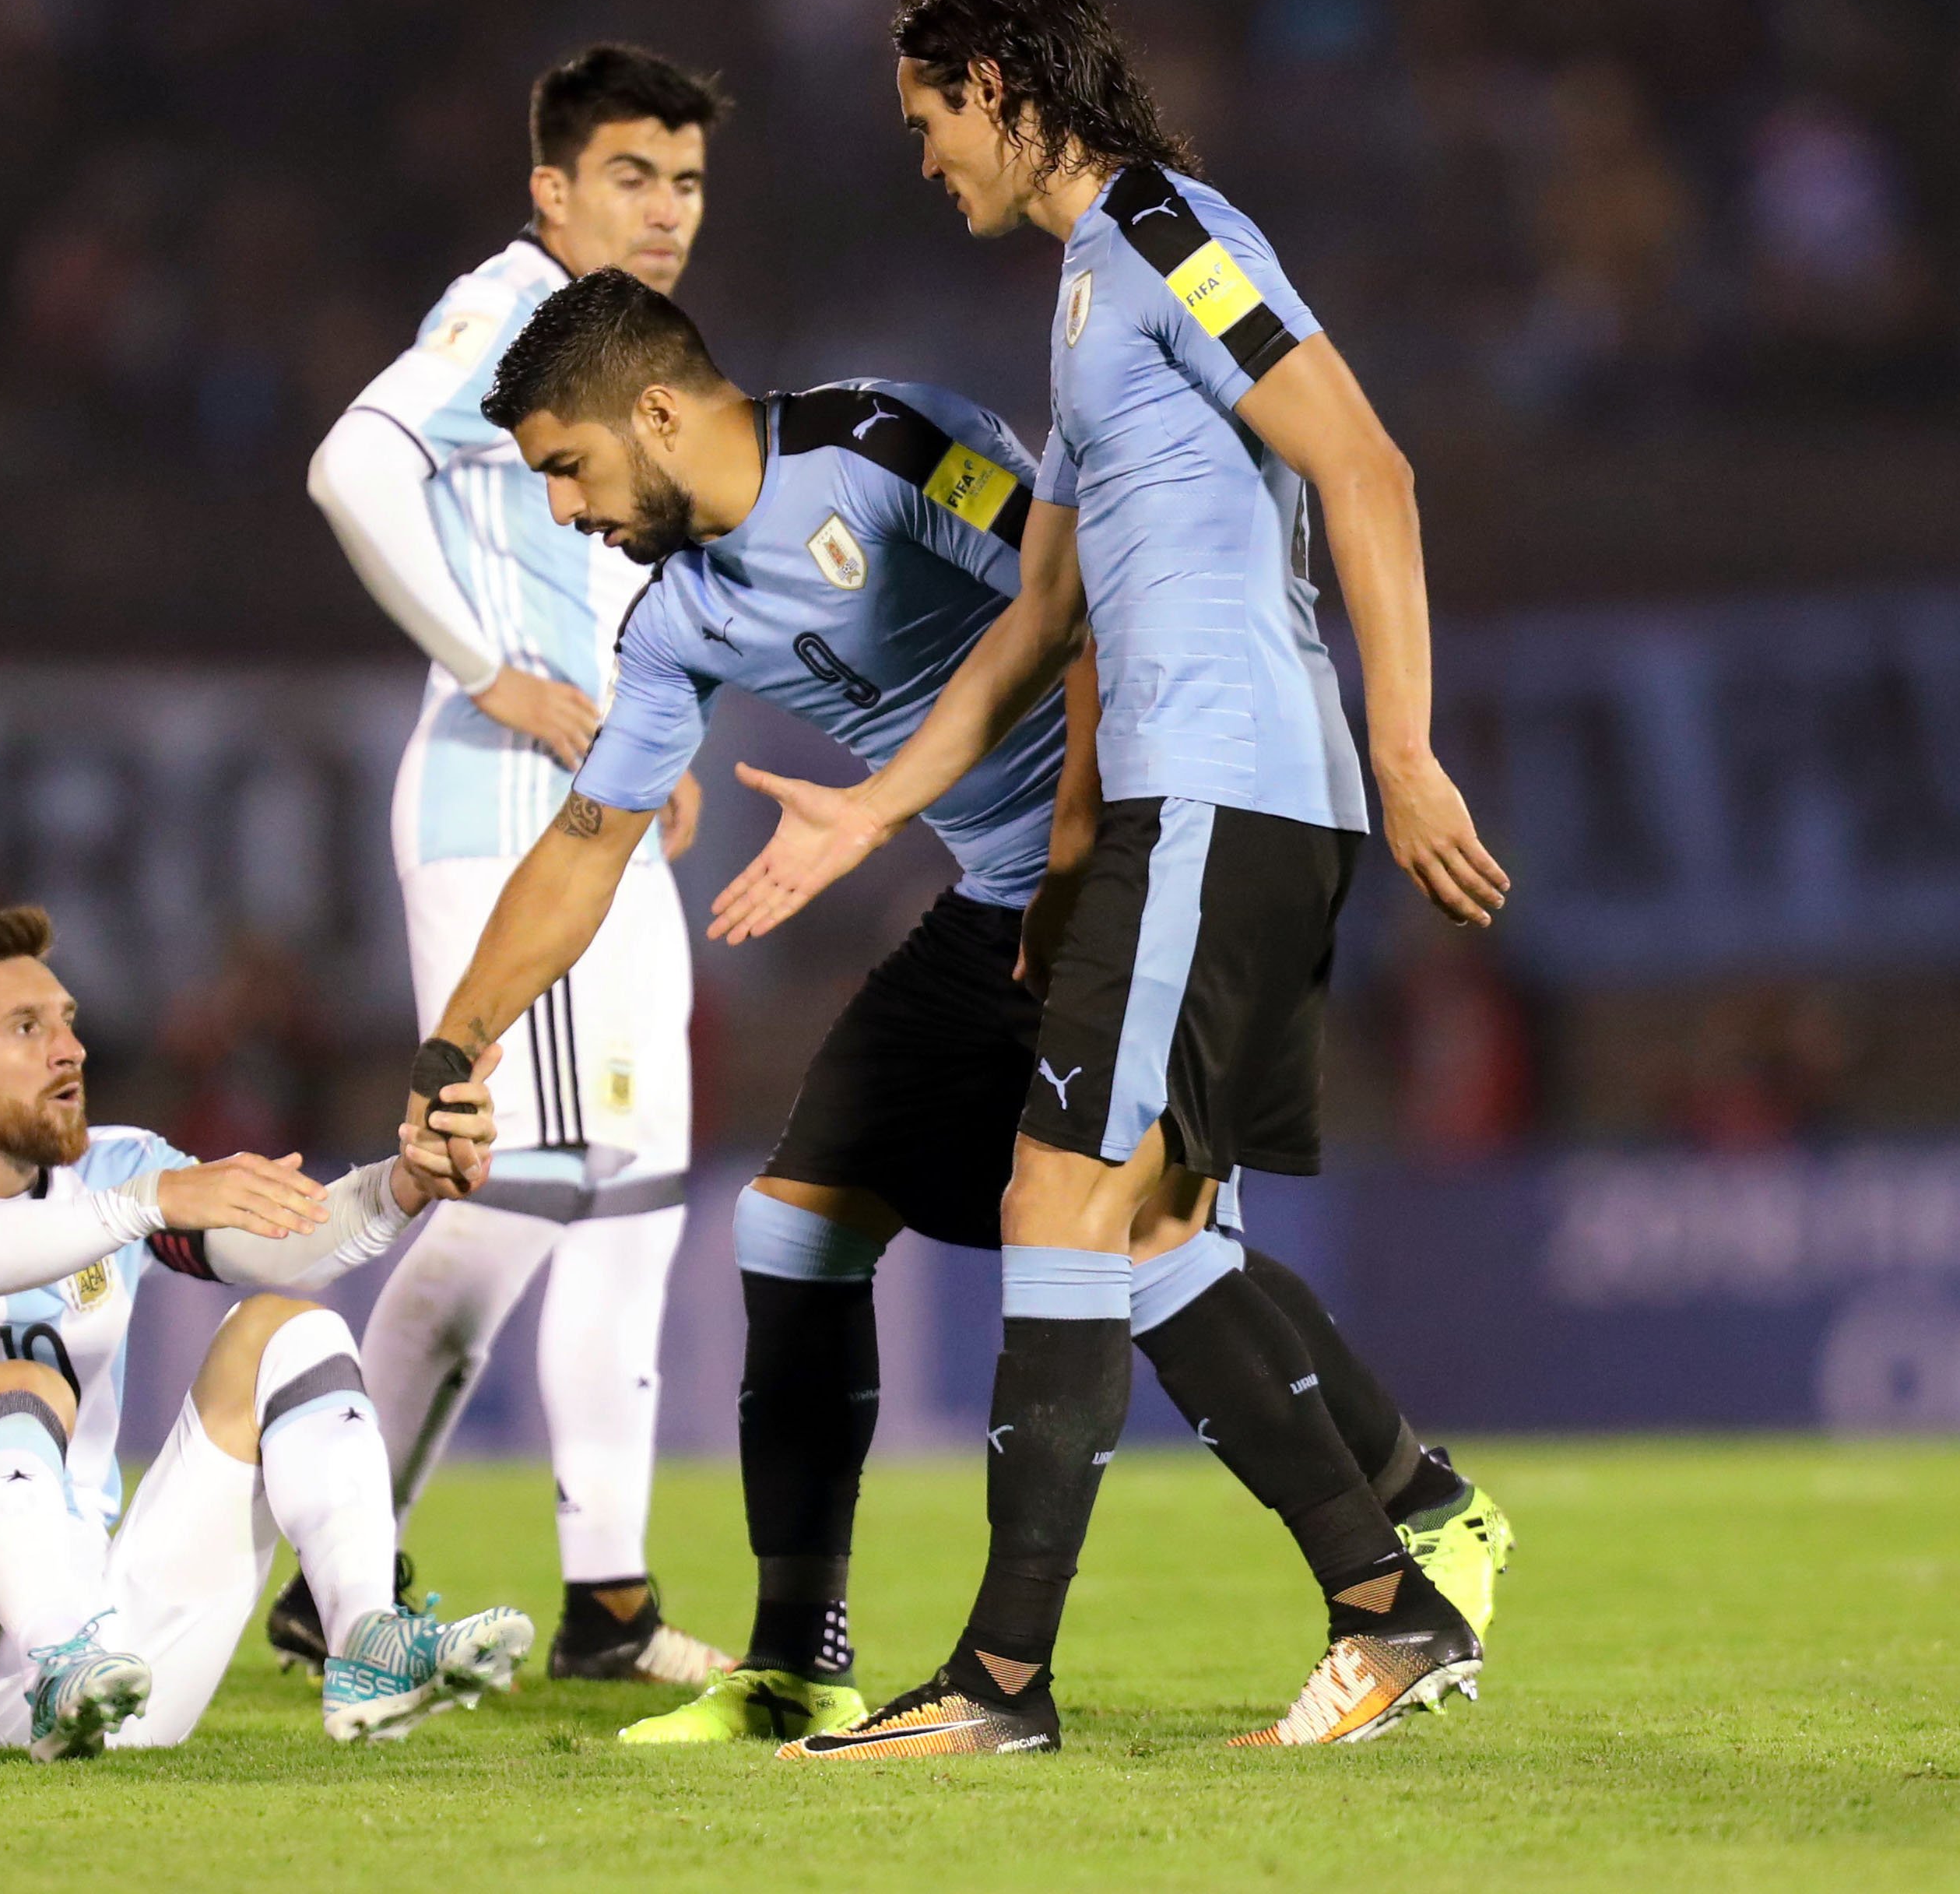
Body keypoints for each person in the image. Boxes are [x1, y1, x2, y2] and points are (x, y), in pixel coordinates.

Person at [400, 265, 1509, 1754]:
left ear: (654, 411)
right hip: (995, 896)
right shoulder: (671, 620)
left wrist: (1067, 858)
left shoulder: (885, 443)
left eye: (567, 467)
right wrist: (454, 1038)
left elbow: (1090, 603)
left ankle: (1377, 1578)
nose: (562, 509)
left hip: (1129, 847)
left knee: (1141, 1238)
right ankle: (801, 1658)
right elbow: (586, 840)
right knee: (795, 1219)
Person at [706, 0, 1516, 1757]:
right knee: (1135, 1231)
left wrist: (1404, 746)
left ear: (1000, 85)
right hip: (1174, 796)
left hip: (1227, 784)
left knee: (1056, 1200)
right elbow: (1037, 621)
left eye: (930, 120)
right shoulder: (1086, 297)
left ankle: (1003, 1682)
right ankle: (1392, 1591)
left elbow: (1366, 466)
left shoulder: (1162, 227)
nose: (923, 160)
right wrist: (875, 805)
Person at [297, 42, 732, 1686]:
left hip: (600, 814)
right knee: (527, 1183)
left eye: (687, 181)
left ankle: (607, 1606)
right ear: (553, 191)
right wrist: (491, 669)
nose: (667, 209)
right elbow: (352, 467)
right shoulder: (505, 313)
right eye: (633, 175)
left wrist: (654, 727)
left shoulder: (627, 351)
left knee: (631, 1199)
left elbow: (618, 588)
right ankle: (339, 1560)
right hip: (503, 818)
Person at [0, 904, 532, 1759]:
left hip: (111, 1662)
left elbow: (284, 1243)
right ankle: (61, 1661)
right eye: (26, 1026)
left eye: (67, 1022)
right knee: (20, 1388)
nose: (69, 1048)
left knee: (289, 1329)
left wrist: (404, 1183)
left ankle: (366, 1638)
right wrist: (144, 1205)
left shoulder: (111, 1168)